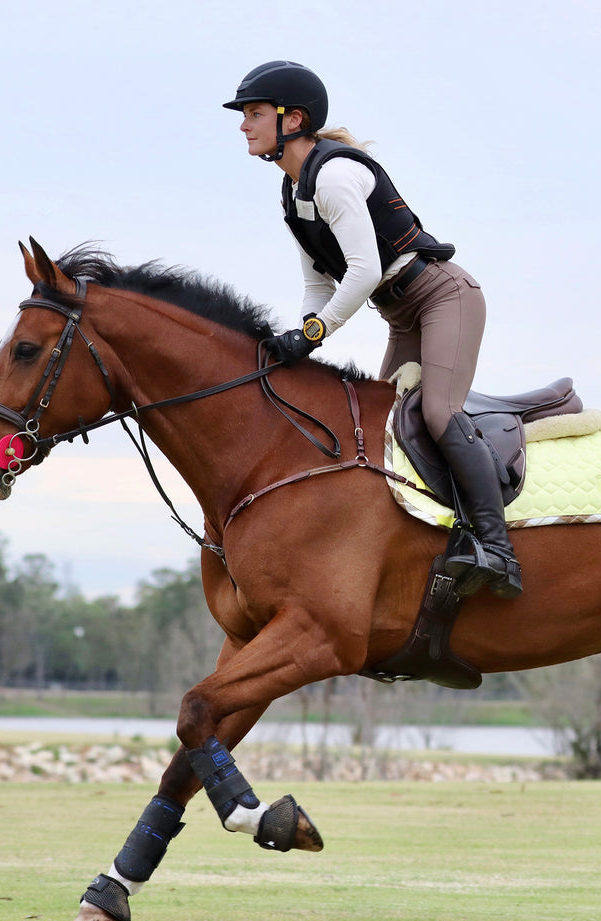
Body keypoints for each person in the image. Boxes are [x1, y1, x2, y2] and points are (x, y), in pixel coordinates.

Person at [223, 60, 522, 599]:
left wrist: (313, 336)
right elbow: (320, 287)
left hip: (443, 297)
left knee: (437, 412)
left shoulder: (334, 177)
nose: (244, 125)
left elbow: (361, 272)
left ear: (294, 119)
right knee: (383, 426)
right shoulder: (294, 193)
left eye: (255, 113)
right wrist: (302, 340)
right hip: (400, 311)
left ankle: (498, 551)